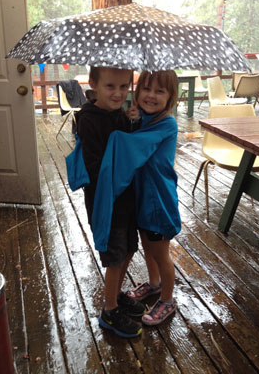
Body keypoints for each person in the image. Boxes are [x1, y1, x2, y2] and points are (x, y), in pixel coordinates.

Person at [92, 70, 181, 326]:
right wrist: (131, 119)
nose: (151, 96)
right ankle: (153, 284)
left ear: (170, 97)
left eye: (159, 91)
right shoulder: (144, 118)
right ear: (137, 90)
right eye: (146, 89)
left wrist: (116, 132)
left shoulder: (166, 124)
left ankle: (167, 298)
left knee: (160, 252)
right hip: (142, 198)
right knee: (146, 246)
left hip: (158, 201)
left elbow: (134, 145)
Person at [75, 66, 145, 338]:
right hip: (105, 200)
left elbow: (128, 146)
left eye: (124, 87)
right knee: (114, 257)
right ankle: (110, 310)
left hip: (126, 197)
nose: (118, 93)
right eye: (110, 87)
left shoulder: (119, 114)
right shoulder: (88, 119)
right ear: (93, 84)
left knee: (128, 247)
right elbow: (93, 165)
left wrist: (132, 123)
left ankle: (115, 293)